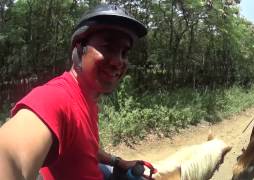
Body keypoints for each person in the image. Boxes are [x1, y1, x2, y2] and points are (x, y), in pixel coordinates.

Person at [0, 3, 147, 180]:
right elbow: (10, 157)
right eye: (108, 47)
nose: (119, 61)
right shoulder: (56, 97)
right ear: (79, 50)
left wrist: (117, 161)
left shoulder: (88, 98)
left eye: (124, 52)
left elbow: (87, 148)